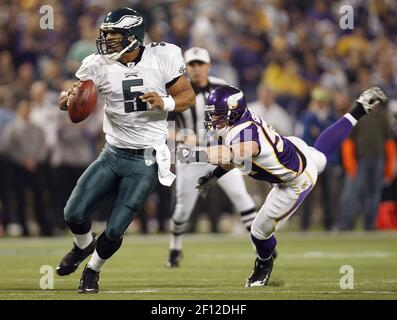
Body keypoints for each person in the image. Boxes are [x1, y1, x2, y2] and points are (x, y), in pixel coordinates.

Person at [177, 85, 387, 287]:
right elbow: (236, 157)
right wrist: (215, 174)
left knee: (259, 232)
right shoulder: (239, 125)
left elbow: (232, 153)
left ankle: (264, 264)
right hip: (294, 150)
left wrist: (194, 155)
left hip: (294, 181)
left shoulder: (245, 134)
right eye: (212, 114)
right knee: (321, 154)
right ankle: (359, 108)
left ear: (234, 112)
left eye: (219, 114)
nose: (213, 119)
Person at [56, 7, 195, 294]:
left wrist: (165, 103)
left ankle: (92, 270)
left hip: (146, 157)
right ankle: (83, 246)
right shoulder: (97, 63)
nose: (107, 41)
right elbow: (75, 97)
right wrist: (65, 100)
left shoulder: (163, 56)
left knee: (116, 226)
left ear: (133, 36)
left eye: (113, 35)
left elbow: (187, 96)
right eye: (105, 34)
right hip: (113, 152)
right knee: (73, 212)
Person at [166, 47, 258, 267]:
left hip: (221, 153)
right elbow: (161, 128)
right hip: (191, 156)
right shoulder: (177, 92)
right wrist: (180, 136)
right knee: (182, 210)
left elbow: (240, 118)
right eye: (192, 65)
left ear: (208, 66)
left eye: (200, 64)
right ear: (185, 68)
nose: (196, 69)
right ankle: (175, 247)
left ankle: (260, 247)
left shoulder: (223, 88)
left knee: (241, 197)